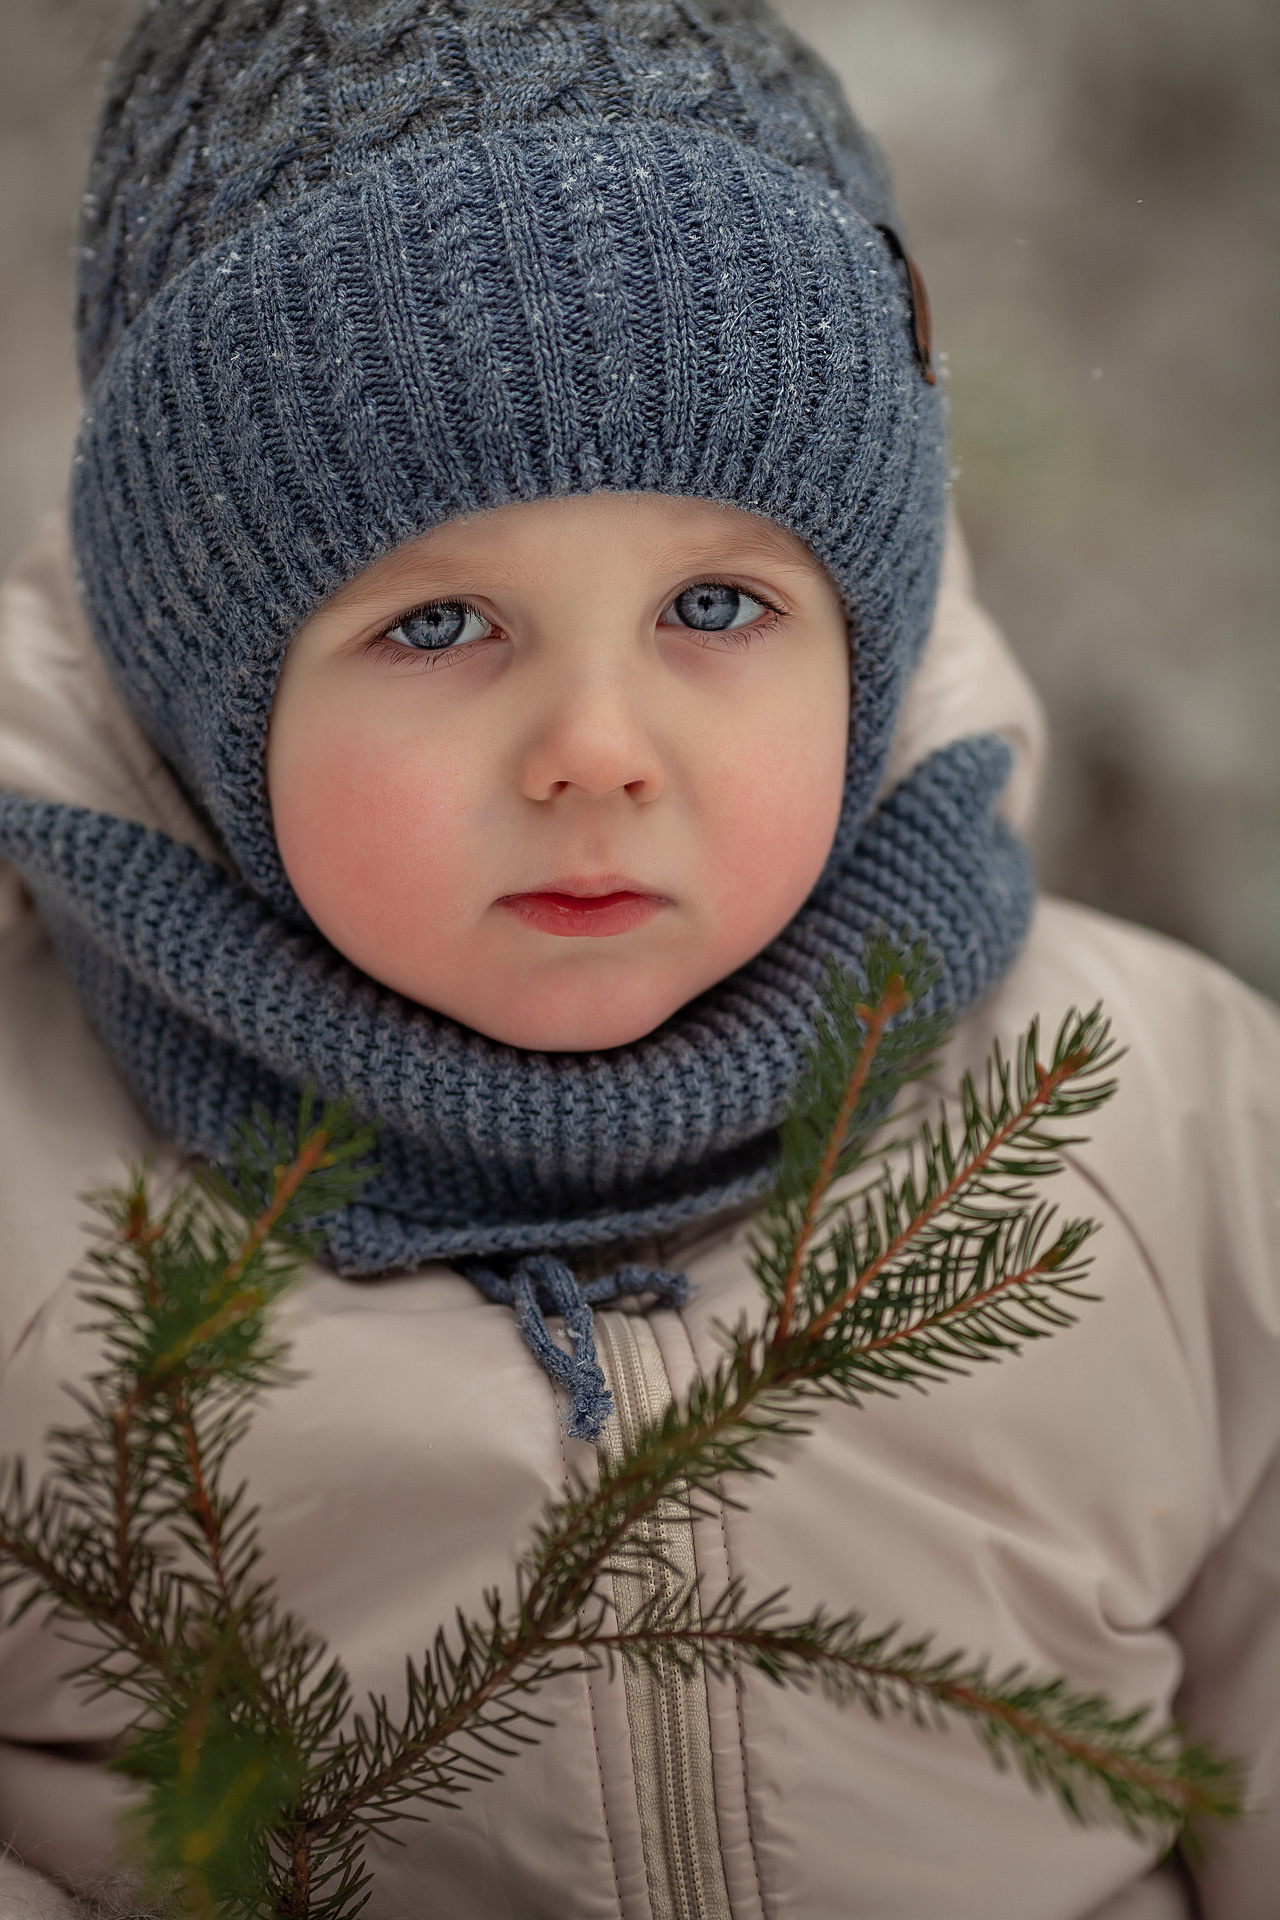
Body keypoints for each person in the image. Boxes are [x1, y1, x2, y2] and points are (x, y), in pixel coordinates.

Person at [0, 2, 1275, 1915]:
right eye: (439, 625)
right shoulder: (33, 1195)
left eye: (713, 604)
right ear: (204, 704)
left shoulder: (1164, 1121)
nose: (597, 744)